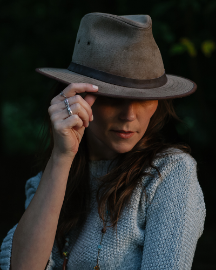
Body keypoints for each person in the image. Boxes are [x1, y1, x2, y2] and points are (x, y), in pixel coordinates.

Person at [0, 12, 206, 270]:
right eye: (113, 97)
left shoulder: (169, 174)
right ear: (76, 97)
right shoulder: (48, 181)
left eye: (144, 99)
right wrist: (62, 159)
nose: (130, 115)